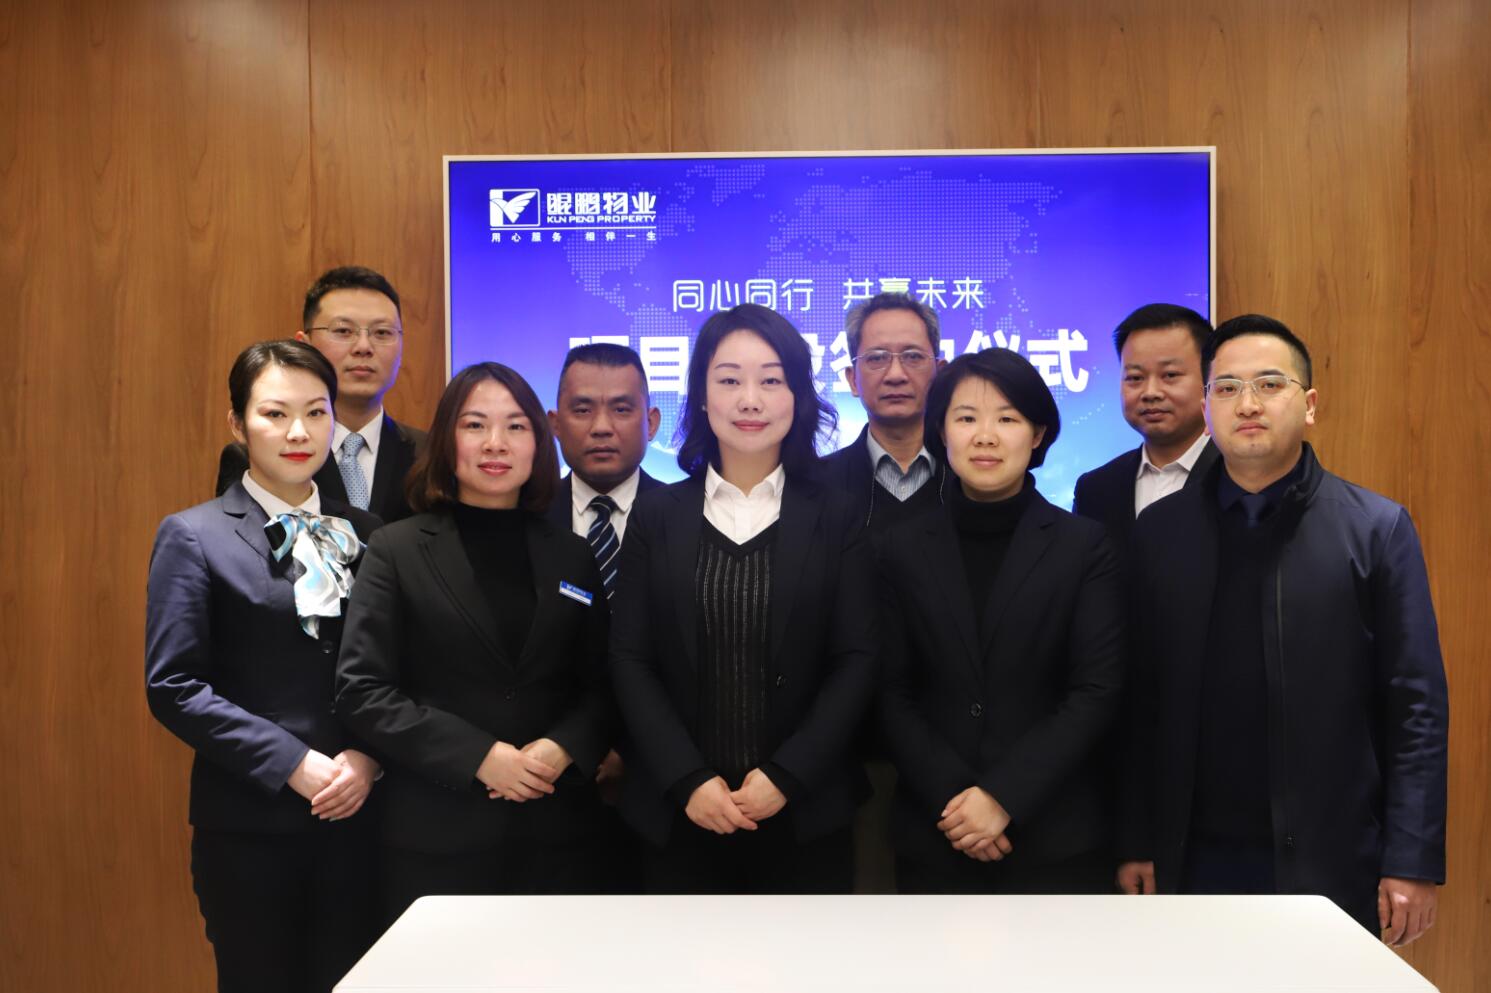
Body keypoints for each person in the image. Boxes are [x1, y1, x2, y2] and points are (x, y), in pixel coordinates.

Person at [1118, 315, 1448, 946]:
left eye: (1269, 385)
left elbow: (1416, 707)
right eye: (1227, 388)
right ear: (1208, 409)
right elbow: (1140, 701)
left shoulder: (1376, 529)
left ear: (1310, 404)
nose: (1247, 404)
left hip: (1331, 855)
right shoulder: (1160, 532)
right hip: (1191, 856)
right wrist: (1135, 840)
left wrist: (1411, 858)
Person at [609, 303, 877, 893]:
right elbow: (630, 659)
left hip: (805, 814)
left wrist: (787, 776)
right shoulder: (656, 514)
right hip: (678, 815)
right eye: (729, 380)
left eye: (771, 381)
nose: (750, 400)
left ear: (797, 396)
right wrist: (687, 779)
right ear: (702, 398)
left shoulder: (838, 515)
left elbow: (856, 660)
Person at [146, 340, 383, 993]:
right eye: (275, 413)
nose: (298, 432)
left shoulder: (371, 532)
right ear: (237, 423)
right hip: (250, 828)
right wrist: (293, 763)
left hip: (363, 819)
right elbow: (173, 686)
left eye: (315, 412)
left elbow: (396, 667)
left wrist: (369, 756)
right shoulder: (194, 535)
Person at [335, 362, 612, 917]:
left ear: (538, 442)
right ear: (446, 440)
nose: (495, 443)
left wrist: (562, 748)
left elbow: (603, 684)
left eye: (515, 426)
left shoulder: (571, 554)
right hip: (436, 838)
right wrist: (479, 757)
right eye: (475, 425)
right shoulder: (395, 549)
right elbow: (362, 691)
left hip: (558, 835)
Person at [877, 348, 1125, 894]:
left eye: (1007, 419)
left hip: (1056, 836)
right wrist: (958, 802)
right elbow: (890, 692)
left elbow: (1096, 690)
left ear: (1037, 434)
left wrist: (1003, 798)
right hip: (937, 833)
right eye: (966, 418)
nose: (985, 437)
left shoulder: (1084, 547)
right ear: (941, 431)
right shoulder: (900, 549)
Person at [216, 266, 424, 523]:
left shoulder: (431, 454)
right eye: (343, 331)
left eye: (382, 332)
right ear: (304, 344)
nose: (364, 347)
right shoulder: (256, 453)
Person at [1073, 303, 1218, 545]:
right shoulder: (1095, 489)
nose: (1150, 392)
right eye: (1135, 378)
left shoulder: (1239, 476)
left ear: (1209, 378)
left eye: (1170, 375)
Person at [817, 292, 947, 532]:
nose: (896, 375)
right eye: (877, 358)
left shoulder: (970, 477)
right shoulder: (816, 484)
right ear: (852, 380)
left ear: (940, 373)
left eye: (913, 356)